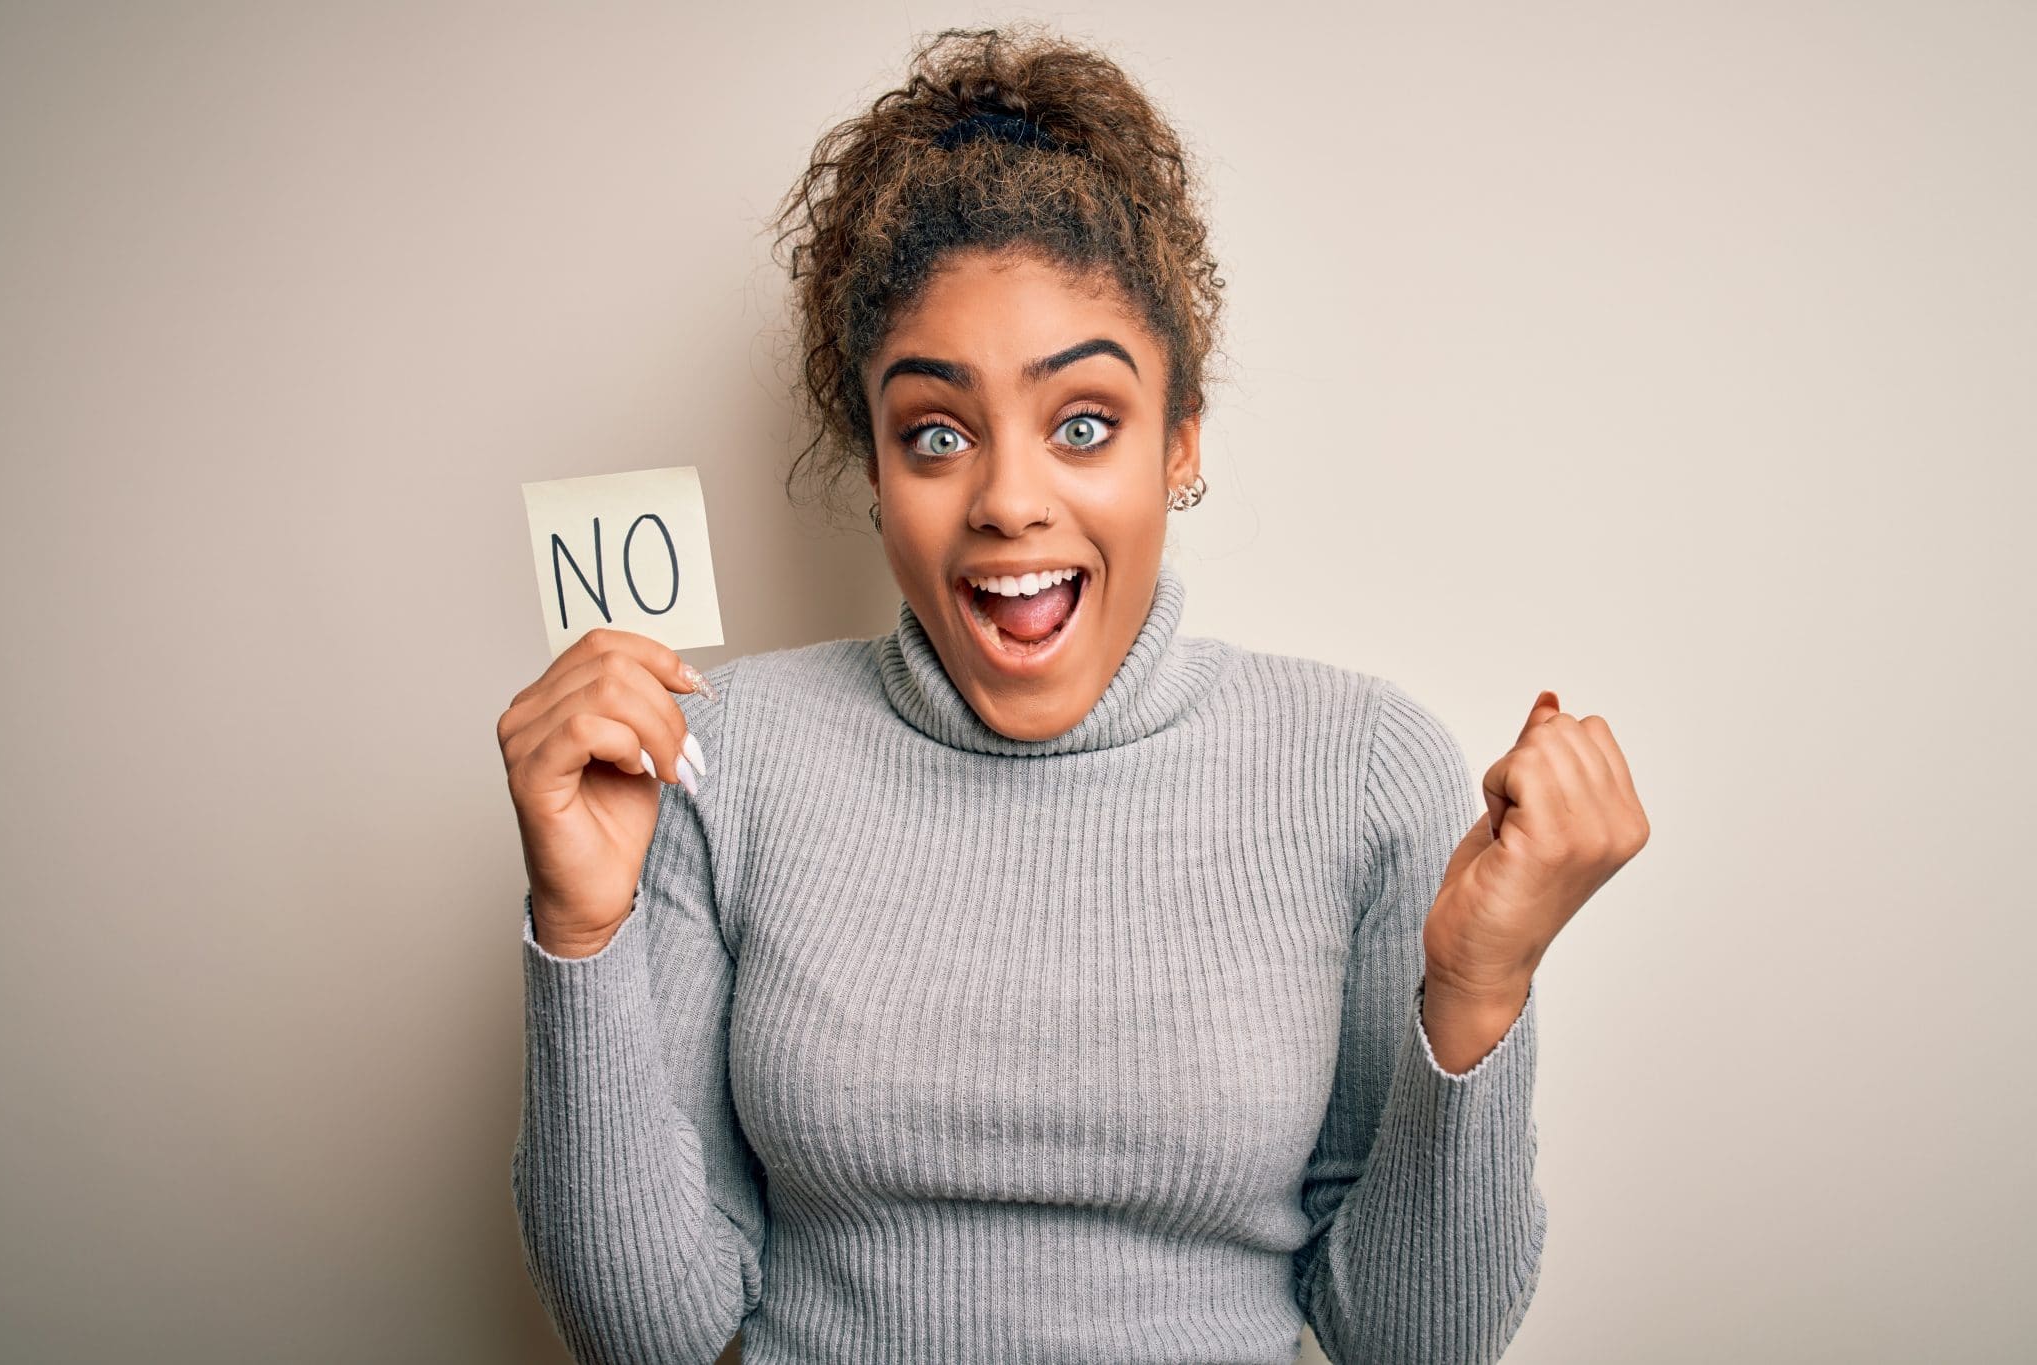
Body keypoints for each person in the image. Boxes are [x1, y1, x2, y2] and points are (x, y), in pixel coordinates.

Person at [495, 24, 1648, 1365]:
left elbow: (1412, 1342)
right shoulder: (713, 757)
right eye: (936, 432)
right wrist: (580, 929)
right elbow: (648, 1337)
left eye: (1085, 423)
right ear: (874, 470)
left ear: (1182, 442)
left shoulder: (1362, 764)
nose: (1009, 500)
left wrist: (1480, 986)